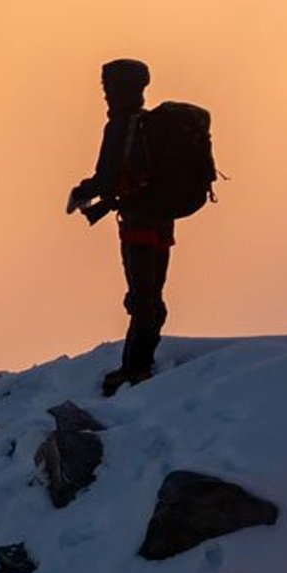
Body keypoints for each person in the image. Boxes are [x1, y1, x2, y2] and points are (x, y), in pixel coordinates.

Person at [66, 56, 175, 395]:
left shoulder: (121, 126)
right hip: (162, 221)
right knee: (152, 295)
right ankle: (141, 362)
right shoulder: (150, 125)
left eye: (107, 87)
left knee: (141, 297)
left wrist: (80, 194)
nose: (104, 94)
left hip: (137, 223)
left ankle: (135, 369)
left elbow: (107, 177)